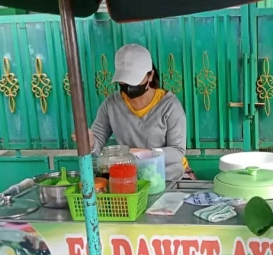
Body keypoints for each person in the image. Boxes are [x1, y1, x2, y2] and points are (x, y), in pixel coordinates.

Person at [73, 43, 196, 181]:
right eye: (124, 81)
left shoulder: (169, 105)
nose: (129, 86)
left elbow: (177, 152)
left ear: (150, 75)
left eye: (134, 80)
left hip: (169, 178)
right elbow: (97, 145)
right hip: (131, 180)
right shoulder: (111, 104)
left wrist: (146, 154)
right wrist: (90, 142)